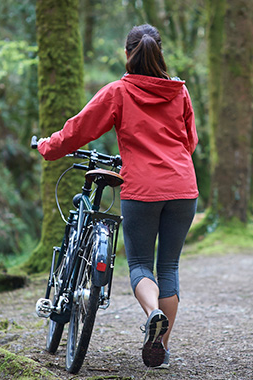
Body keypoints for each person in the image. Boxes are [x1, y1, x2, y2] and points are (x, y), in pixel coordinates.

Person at [36, 24, 198, 368]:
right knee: (169, 266)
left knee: (140, 265)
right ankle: (161, 349)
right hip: (184, 188)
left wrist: (48, 147)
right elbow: (190, 141)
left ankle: (152, 311)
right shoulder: (179, 93)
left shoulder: (119, 92)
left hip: (143, 190)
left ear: (128, 55)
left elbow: (79, 129)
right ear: (160, 55)